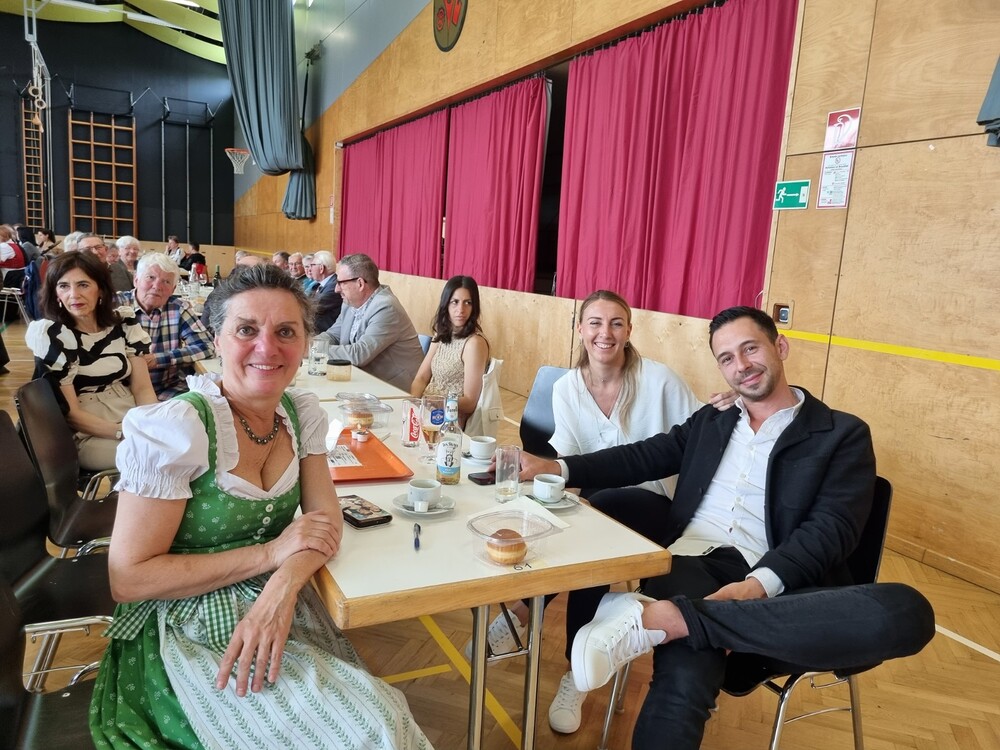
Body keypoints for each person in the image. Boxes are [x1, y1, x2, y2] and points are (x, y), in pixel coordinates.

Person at [517, 306, 933, 749]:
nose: (742, 365)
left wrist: (754, 588)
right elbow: (643, 456)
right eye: (727, 358)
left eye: (751, 348)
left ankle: (664, 619)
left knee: (907, 612)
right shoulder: (713, 419)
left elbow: (831, 530)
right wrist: (557, 467)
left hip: (785, 587)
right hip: (694, 562)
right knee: (685, 676)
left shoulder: (841, 434)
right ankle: (691, 621)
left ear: (780, 346)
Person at [88, 263, 433, 750]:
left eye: (286, 332)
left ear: (306, 343)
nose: (267, 348)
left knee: (379, 719)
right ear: (217, 339)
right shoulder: (178, 429)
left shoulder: (300, 414)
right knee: (368, 732)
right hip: (182, 624)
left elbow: (324, 520)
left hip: (276, 596)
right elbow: (129, 579)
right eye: (246, 330)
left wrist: (282, 587)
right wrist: (271, 554)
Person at [466, 290, 709, 733]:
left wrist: (727, 407)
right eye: (595, 322)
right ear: (580, 329)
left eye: (616, 323)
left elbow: (702, 433)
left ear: (629, 330)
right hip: (600, 502)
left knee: (599, 518)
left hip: (660, 504)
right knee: (565, 517)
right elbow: (569, 460)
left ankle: (552, 649)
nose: (605, 333)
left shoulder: (660, 381)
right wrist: (543, 499)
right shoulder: (567, 388)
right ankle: (552, 640)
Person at [25, 252, 157, 471]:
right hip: (87, 432)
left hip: (130, 413)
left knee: (186, 442)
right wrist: (124, 432)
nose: (74, 295)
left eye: (83, 285)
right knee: (156, 455)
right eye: (64, 286)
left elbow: (143, 389)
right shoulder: (54, 336)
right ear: (56, 293)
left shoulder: (123, 324)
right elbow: (72, 415)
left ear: (101, 290)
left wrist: (153, 423)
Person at [314, 253, 424, 392]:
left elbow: (359, 354)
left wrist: (313, 350)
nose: (336, 289)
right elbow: (333, 335)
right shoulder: (349, 303)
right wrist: (310, 344)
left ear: (360, 283)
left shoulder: (386, 307)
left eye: (341, 283)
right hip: (363, 382)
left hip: (395, 389)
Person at [116, 252, 215, 400]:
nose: (157, 286)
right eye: (151, 277)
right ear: (136, 280)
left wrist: (158, 359)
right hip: (120, 393)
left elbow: (207, 347)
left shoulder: (178, 309)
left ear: (173, 289)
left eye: (166, 282)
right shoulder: (114, 305)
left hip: (166, 390)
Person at [410, 276, 490, 428]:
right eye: (455, 302)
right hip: (427, 409)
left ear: (474, 307)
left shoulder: (474, 343)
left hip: (449, 420)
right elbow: (421, 378)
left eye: (468, 303)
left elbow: (470, 402)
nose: (461, 310)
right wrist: (413, 404)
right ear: (446, 304)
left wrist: (435, 402)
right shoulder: (441, 335)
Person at [307, 250, 342, 331]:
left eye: (312, 265)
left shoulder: (335, 286)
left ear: (321, 268)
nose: (309, 269)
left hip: (325, 333)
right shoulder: (317, 285)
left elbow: (310, 307)